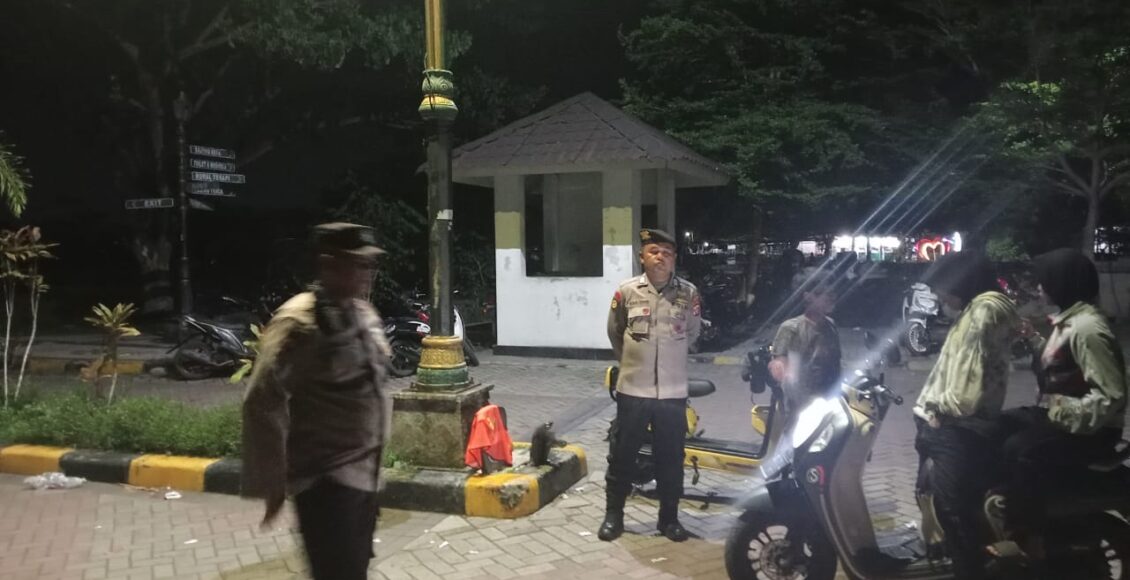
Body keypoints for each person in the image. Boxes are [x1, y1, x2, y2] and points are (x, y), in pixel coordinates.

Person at [241, 222, 392, 580]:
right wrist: (273, 483)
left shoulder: (362, 314)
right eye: (357, 264)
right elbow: (261, 400)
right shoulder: (299, 322)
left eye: (369, 264)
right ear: (329, 264)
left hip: (364, 478)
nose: (367, 273)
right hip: (326, 484)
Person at [996, 248, 1126, 562]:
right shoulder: (1071, 321)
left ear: (1063, 282)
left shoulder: (1088, 328)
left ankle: (1028, 535)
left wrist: (1061, 412)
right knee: (997, 426)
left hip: (1091, 429)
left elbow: (1111, 394)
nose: (1039, 287)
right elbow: (1062, 364)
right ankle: (999, 504)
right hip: (1065, 416)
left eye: (1045, 280)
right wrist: (1032, 339)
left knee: (1020, 449)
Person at [912, 251, 1019, 579]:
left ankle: (970, 571)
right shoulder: (980, 308)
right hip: (955, 424)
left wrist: (938, 410)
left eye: (942, 287)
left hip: (958, 427)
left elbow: (966, 390)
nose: (940, 296)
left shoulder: (984, 311)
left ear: (961, 281)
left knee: (952, 511)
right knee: (941, 502)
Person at [600, 228, 703, 543]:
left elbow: (693, 333)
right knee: (622, 455)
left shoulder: (688, 294)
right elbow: (615, 332)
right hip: (634, 392)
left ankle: (669, 519)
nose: (661, 258)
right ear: (642, 257)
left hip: (672, 394)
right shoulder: (627, 292)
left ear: (674, 259)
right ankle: (614, 516)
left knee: (671, 459)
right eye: (654, 251)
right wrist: (634, 363)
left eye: (667, 253)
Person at [768, 272, 842, 418]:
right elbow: (785, 375)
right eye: (824, 293)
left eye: (832, 293)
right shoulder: (792, 328)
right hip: (801, 410)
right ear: (807, 296)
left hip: (829, 404)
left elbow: (836, 365)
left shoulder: (831, 326)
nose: (830, 298)